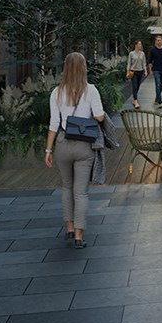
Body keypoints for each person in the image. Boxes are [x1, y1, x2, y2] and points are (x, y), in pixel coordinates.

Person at [44, 52, 105, 250]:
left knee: (66, 188)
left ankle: (69, 228)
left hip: (62, 143)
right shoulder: (91, 90)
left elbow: (53, 123)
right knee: (81, 193)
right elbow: (99, 117)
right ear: (83, 68)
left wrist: (48, 150)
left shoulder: (57, 92)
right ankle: (79, 236)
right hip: (84, 145)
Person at [147, 35, 162, 106]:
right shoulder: (153, 50)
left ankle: (156, 99)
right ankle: (160, 100)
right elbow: (150, 61)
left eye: (160, 40)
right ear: (155, 41)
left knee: (160, 85)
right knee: (158, 84)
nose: (159, 41)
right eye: (157, 40)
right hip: (155, 70)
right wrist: (150, 70)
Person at [126, 40, 147, 109]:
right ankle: (135, 101)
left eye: (141, 44)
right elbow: (129, 63)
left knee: (137, 86)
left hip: (140, 71)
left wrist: (145, 70)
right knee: (134, 86)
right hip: (133, 71)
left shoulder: (142, 54)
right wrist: (127, 72)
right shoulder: (131, 53)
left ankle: (134, 98)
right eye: (139, 44)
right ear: (135, 45)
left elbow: (144, 63)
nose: (140, 45)